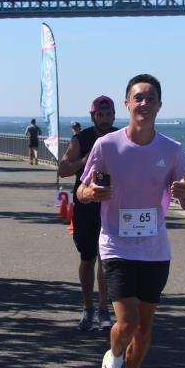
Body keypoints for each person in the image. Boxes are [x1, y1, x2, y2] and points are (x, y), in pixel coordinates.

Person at [77, 75, 185, 368]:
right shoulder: (106, 146)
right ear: (127, 104)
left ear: (159, 105)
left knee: (144, 329)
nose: (144, 103)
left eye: (150, 98)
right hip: (116, 244)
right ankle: (112, 363)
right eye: (138, 97)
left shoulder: (172, 150)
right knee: (126, 323)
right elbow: (82, 191)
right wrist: (92, 193)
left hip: (155, 249)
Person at [58, 96, 116, 331]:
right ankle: (88, 308)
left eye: (108, 114)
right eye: (100, 115)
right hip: (86, 206)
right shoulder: (80, 139)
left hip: (112, 205)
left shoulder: (120, 137)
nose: (104, 119)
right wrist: (85, 159)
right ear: (93, 117)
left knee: (106, 259)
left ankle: (103, 309)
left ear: (114, 115)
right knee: (87, 258)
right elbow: (63, 169)